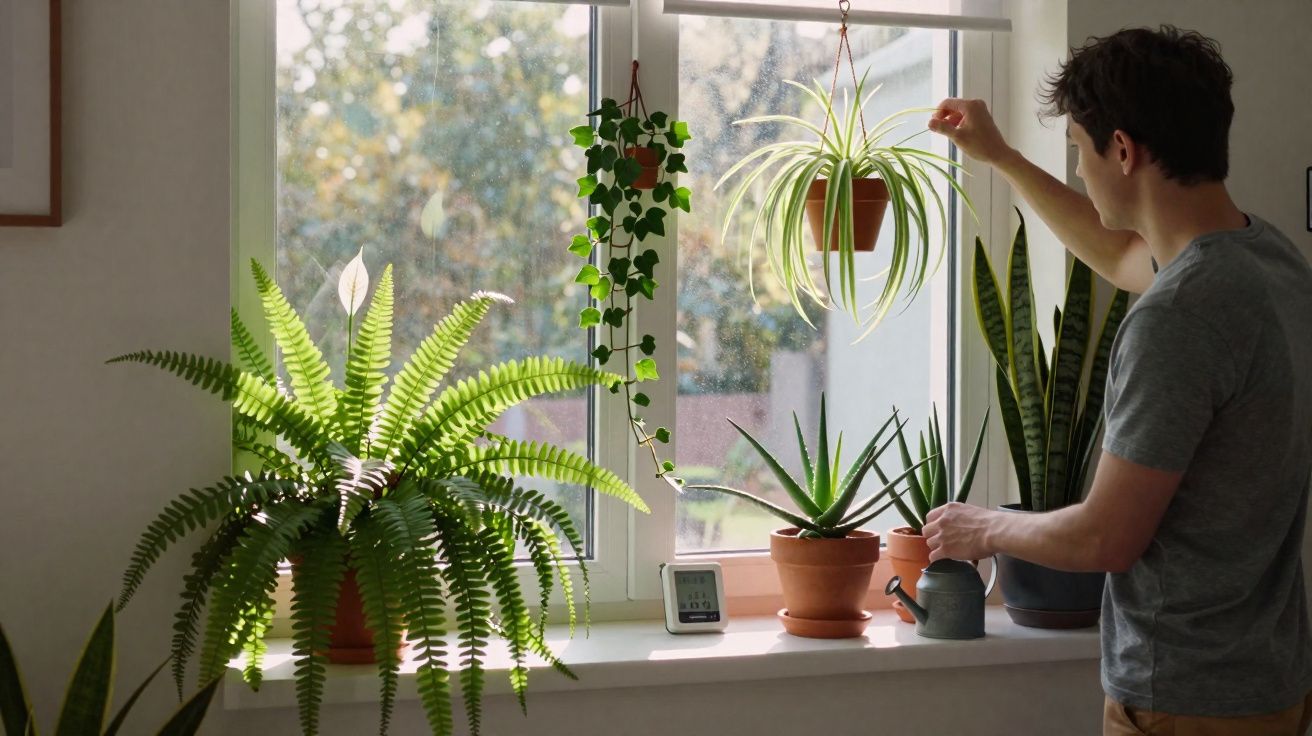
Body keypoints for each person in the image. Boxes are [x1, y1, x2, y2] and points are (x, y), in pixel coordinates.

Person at [923, 25, 1312, 736]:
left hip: (1182, 702)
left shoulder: (1178, 319)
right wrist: (1002, 157)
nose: (1078, 169)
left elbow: (1104, 538)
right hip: (1271, 686)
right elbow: (1117, 253)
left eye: (1078, 147)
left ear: (1124, 150)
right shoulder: (1268, 261)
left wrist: (984, 526)